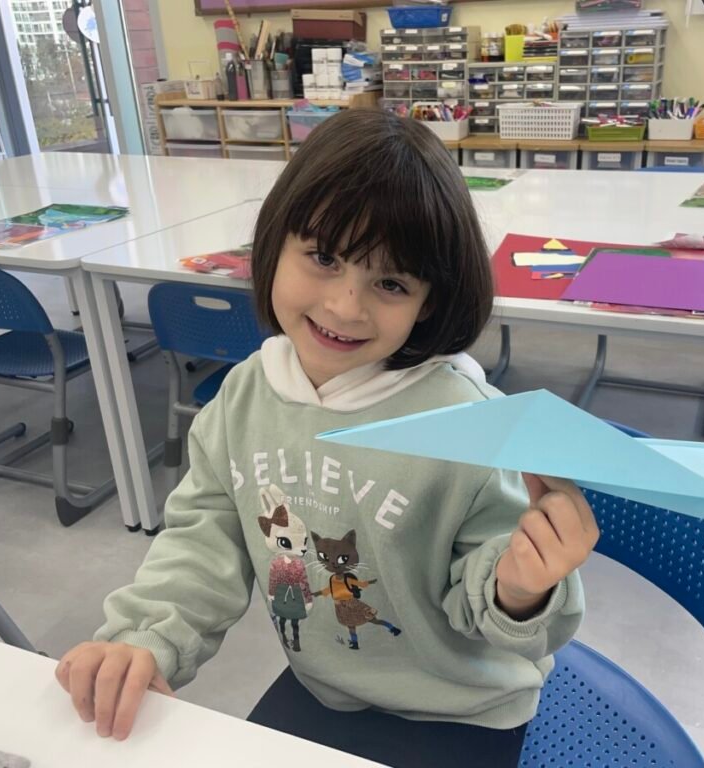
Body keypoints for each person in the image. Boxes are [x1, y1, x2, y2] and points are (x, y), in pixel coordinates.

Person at [55, 109, 599, 767]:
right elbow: (203, 540)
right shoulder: (244, 397)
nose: (345, 306)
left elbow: (511, 618)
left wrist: (522, 588)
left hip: (463, 708)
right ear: (274, 245)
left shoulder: (470, 429)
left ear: (428, 301)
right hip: (328, 690)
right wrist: (144, 637)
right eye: (323, 257)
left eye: (390, 282)